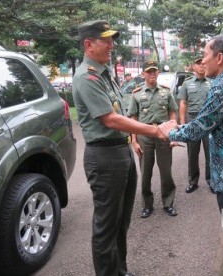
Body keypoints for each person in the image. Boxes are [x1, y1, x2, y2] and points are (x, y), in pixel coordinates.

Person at [159, 34, 223, 276]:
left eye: (205, 55)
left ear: (220, 57)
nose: (202, 61)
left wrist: (170, 131)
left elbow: (199, 127)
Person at [72, 19, 167, 276]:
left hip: (120, 151)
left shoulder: (104, 73)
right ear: (89, 44)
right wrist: (154, 130)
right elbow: (110, 119)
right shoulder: (86, 77)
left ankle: (120, 270)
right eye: (107, 40)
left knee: (122, 221)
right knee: (106, 226)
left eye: (112, 39)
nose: (112, 45)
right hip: (104, 157)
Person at [128, 60, 179, 218]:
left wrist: (173, 134)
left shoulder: (166, 92)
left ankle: (168, 202)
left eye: (154, 71)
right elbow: (133, 119)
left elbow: (172, 113)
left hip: (163, 135)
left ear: (157, 73)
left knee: (166, 172)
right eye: (148, 71)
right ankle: (147, 205)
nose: (152, 74)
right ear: (143, 74)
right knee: (145, 173)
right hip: (145, 136)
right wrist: (134, 141)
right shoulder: (136, 94)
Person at [177, 57, 214, 194]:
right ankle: (193, 181)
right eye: (199, 64)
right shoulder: (187, 84)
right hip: (192, 121)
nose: (202, 66)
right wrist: (182, 123)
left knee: (210, 152)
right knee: (192, 153)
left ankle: (211, 180)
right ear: (193, 67)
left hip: (208, 121)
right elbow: (183, 103)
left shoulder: (212, 82)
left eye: (203, 64)